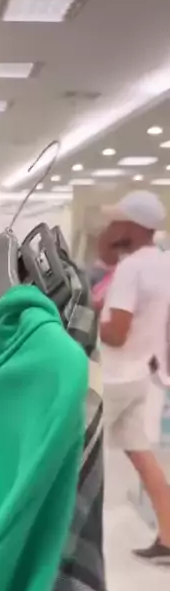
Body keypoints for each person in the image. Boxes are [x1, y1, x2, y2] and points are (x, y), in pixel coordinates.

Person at [99, 190, 170, 562]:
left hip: (113, 378)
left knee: (70, 454)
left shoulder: (131, 269)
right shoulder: (161, 263)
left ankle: (55, 543)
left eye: (117, 221)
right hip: (140, 373)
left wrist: (91, 318)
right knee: (141, 455)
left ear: (131, 225)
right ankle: (169, 535)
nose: (110, 227)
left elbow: (116, 333)